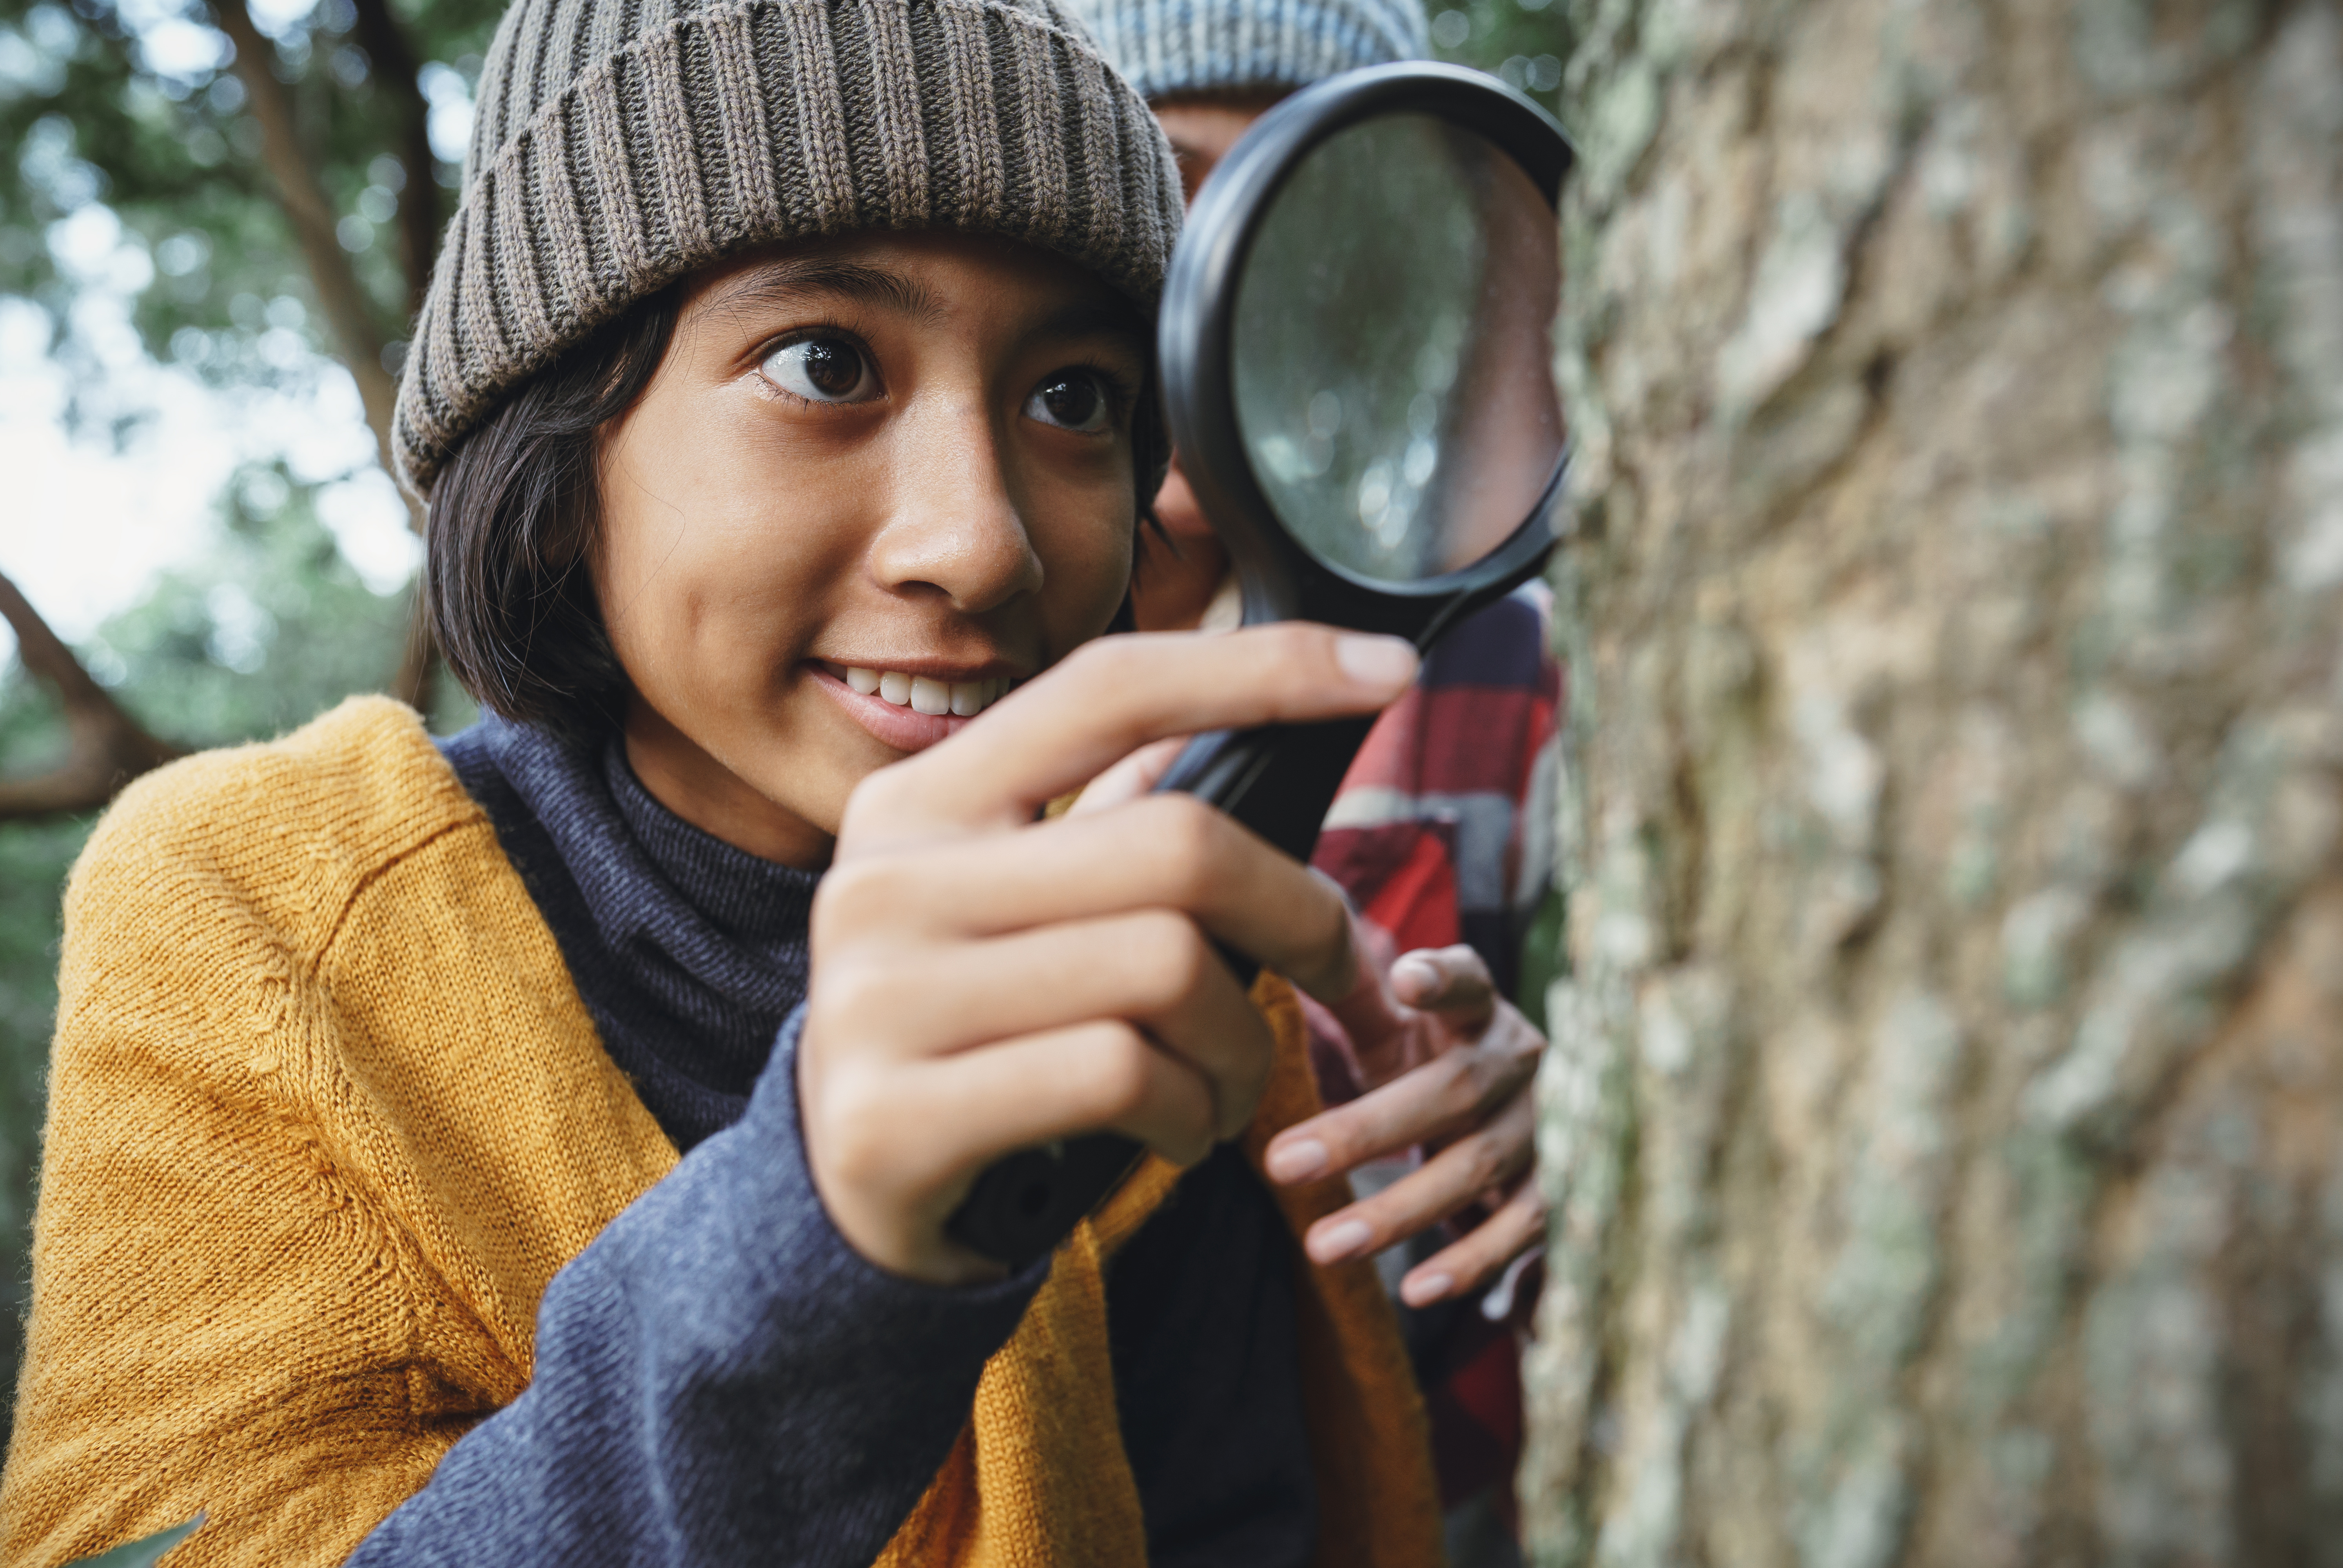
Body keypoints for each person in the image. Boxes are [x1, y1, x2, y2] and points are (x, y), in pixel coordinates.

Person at [0, 0, 1553, 1564]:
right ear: (559, 446)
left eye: (1075, 395)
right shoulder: (255, 917)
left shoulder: (1173, 931)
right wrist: (811, 1247)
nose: (983, 540)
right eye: (826, 364)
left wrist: (1527, 1215)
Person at [1063, 0, 1566, 1555]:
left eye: (1283, 197)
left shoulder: (1504, 672)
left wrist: (1577, 1129)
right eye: (1156, 189)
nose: (1210, 265)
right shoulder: (918, 632)